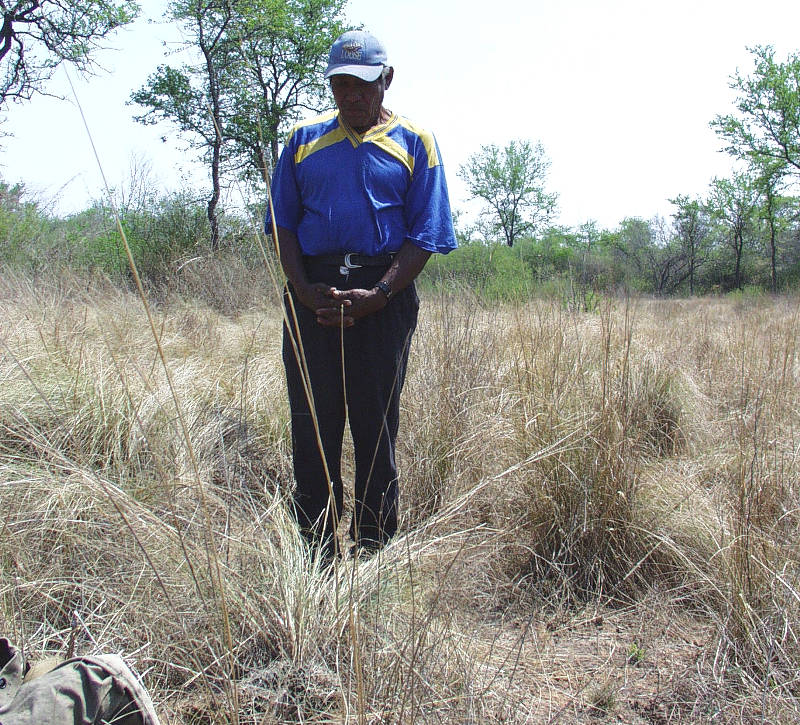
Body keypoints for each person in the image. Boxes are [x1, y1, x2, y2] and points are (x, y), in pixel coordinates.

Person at [267, 29, 457, 558]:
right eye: (340, 84)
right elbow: (282, 223)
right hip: (313, 297)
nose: (350, 95)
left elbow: (426, 234)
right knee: (312, 422)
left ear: (386, 80)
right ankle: (315, 551)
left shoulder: (416, 142)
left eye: (363, 84)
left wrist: (379, 292)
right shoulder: (303, 141)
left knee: (376, 423)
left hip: (384, 298)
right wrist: (303, 291)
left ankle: (374, 547)